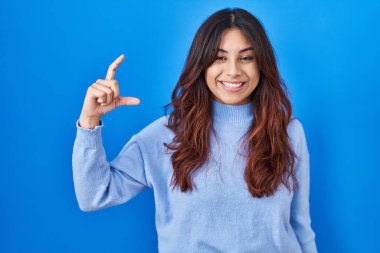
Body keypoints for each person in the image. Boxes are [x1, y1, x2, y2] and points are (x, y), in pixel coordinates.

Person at [72, 7, 318, 253]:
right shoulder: (166, 136)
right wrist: (89, 121)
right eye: (219, 57)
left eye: (246, 57)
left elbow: (300, 225)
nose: (233, 71)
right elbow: (93, 195)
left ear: (262, 64)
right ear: (201, 64)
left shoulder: (288, 132)